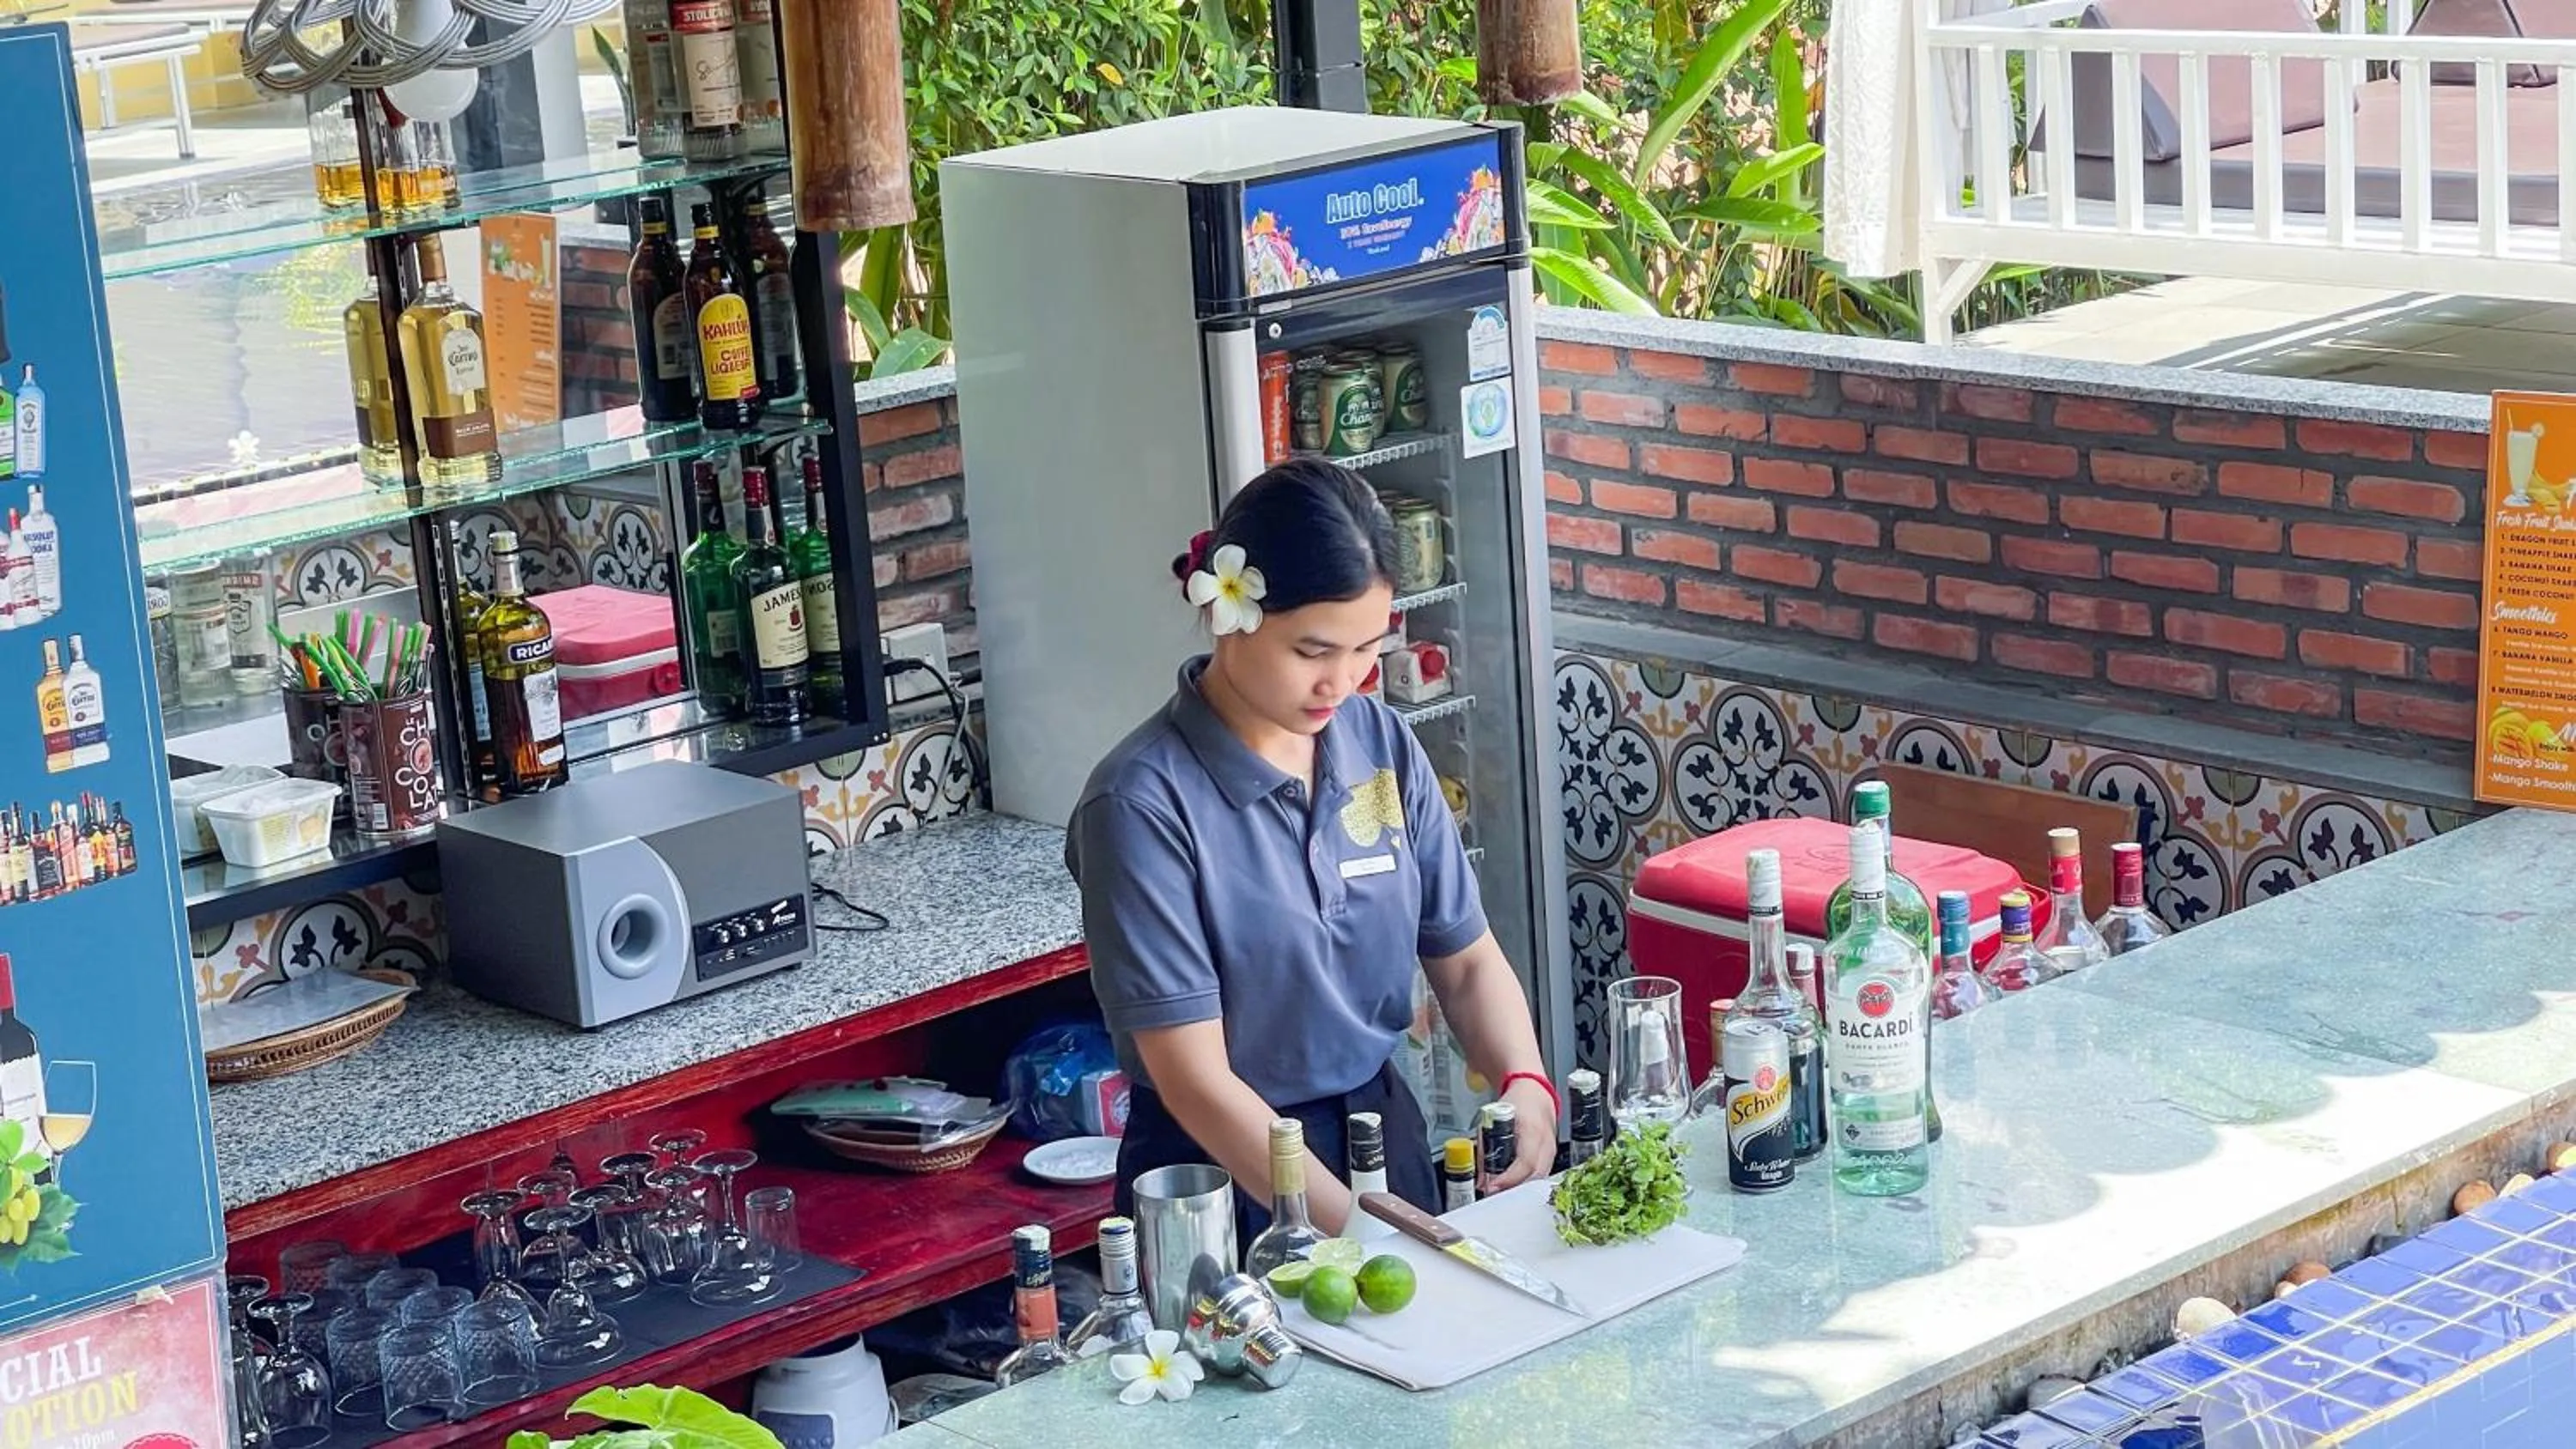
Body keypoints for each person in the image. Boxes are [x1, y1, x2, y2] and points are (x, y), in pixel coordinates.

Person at [1066, 458, 1558, 1240]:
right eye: (1313, 651)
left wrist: (1526, 1080)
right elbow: (1196, 1082)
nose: (1345, 680)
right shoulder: (1140, 805)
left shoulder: (1379, 744)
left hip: (1378, 1140)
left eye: (1367, 648)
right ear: (1233, 614)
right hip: (1222, 1177)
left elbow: (1463, 959)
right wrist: (1363, 1231)